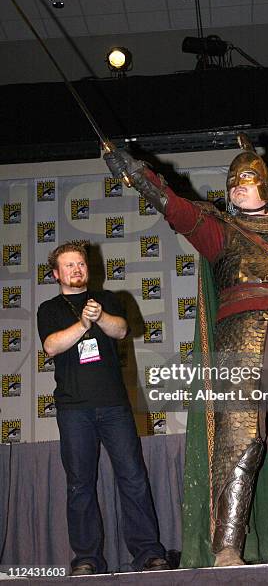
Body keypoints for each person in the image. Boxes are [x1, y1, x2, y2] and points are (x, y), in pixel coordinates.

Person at [104, 136, 268, 567]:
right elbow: (175, 207)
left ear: (266, 186)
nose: (237, 186)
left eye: (247, 180)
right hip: (239, 341)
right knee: (238, 442)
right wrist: (138, 175)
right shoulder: (220, 229)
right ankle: (227, 548)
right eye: (233, 181)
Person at [37, 243, 169, 575]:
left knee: (134, 478)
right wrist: (82, 324)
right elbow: (51, 346)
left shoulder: (108, 300)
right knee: (80, 484)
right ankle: (86, 558)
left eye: (80, 263)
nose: (76, 269)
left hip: (114, 407)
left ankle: (149, 553)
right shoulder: (49, 308)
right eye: (68, 265)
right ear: (56, 274)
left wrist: (99, 317)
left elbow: (122, 330)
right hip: (73, 410)